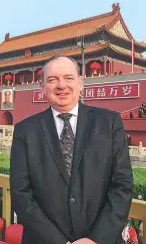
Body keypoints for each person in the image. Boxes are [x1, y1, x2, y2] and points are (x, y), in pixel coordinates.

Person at [10, 55, 133, 244]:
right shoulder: (25, 130)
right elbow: (21, 193)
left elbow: (122, 186)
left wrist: (96, 239)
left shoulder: (109, 123)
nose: (61, 85)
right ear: (42, 87)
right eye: (52, 80)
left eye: (68, 78)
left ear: (80, 83)